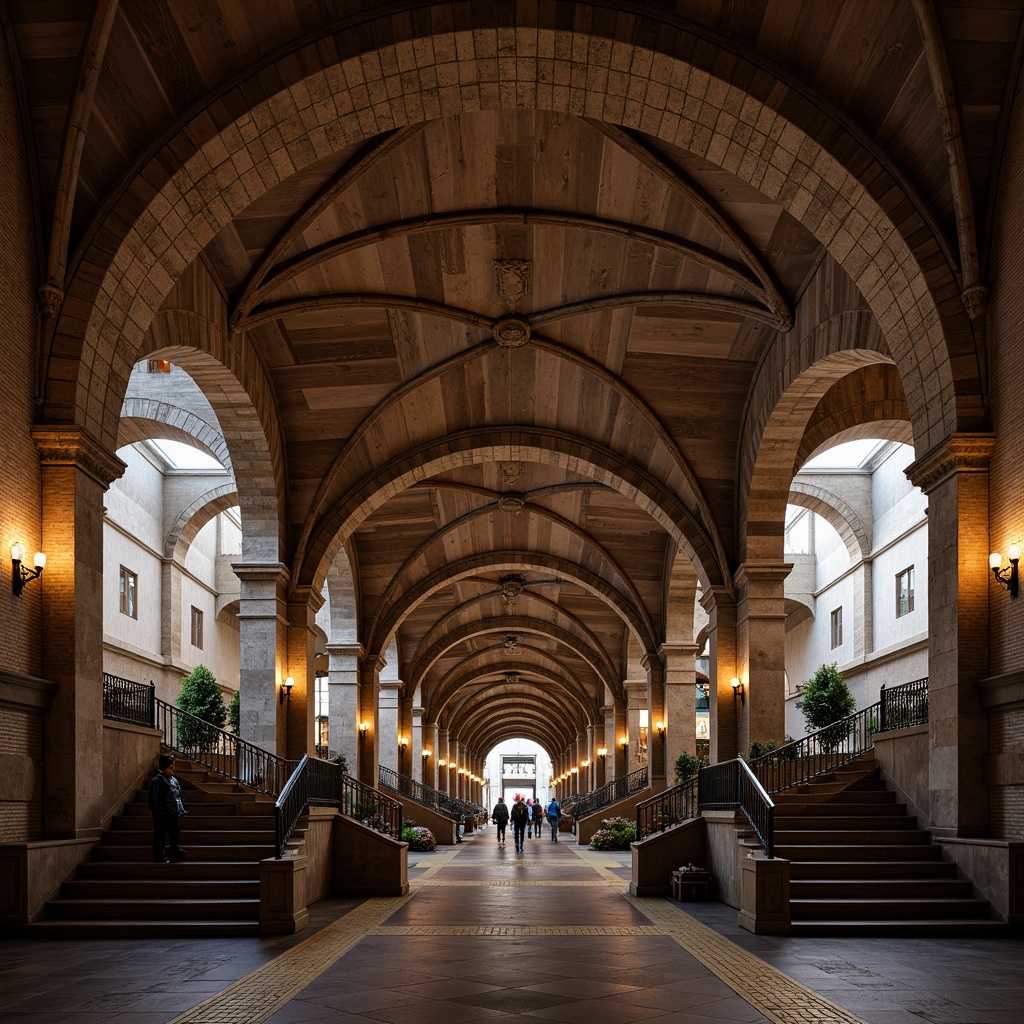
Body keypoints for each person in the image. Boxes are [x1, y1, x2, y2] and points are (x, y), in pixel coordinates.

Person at [148, 754, 187, 862]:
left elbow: (178, 794)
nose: (173, 768)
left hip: (173, 811)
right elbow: (153, 799)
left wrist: (181, 808)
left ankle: (174, 848)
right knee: (160, 835)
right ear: (164, 767)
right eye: (171, 767)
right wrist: (156, 812)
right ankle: (159, 856)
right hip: (162, 813)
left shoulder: (173, 779)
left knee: (175, 831)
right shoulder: (156, 781)